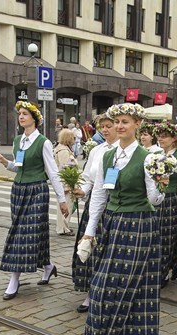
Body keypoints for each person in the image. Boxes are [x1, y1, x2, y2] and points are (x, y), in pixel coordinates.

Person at [80, 103, 166, 335]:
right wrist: (89, 232)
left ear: (137, 124)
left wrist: (160, 180)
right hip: (113, 223)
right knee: (107, 281)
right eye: (117, 121)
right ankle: (127, 332)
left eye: (125, 122)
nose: (119, 126)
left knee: (122, 282)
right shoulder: (107, 156)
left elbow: (155, 199)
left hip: (139, 223)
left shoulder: (150, 157)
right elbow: (100, 195)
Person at [0, 101, 69, 299]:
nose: (21, 117)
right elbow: (19, 167)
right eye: (20, 114)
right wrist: (3, 161)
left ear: (34, 118)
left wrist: (62, 199)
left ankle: (14, 279)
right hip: (18, 190)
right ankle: (49, 266)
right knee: (33, 232)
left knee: (25, 234)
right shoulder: (18, 140)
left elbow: (52, 172)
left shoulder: (43, 142)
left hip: (37, 191)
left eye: (25, 114)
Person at [72, 113, 117, 313]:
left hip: (114, 208)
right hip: (95, 205)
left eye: (109, 126)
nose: (105, 130)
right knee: (90, 249)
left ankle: (105, 292)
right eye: (102, 127)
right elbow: (88, 177)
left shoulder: (122, 150)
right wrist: (82, 190)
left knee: (106, 252)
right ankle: (90, 292)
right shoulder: (97, 150)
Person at [153, 121, 177, 287]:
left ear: (174, 139)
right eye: (159, 136)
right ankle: (159, 269)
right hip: (158, 200)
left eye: (165, 137)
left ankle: (165, 272)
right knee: (157, 238)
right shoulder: (156, 154)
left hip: (172, 201)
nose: (161, 139)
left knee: (168, 238)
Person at [53, 129, 78, 236]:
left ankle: (64, 227)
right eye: (73, 137)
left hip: (64, 182)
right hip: (65, 183)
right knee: (66, 205)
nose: (75, 140)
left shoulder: (64, 149)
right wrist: (69, 184)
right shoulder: (63, 151)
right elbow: (65, 168)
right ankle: (63, 228)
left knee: (65, 205)